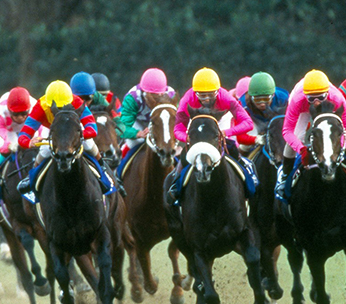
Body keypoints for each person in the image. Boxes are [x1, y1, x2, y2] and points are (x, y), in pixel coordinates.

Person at [167, 67, 256, 203]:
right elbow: (177, 129)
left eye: (211, 94)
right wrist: (189, 138)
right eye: (202, 95)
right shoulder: (187, 100)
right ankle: (176, 183)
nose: (207, 99)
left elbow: (248, 123)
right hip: (198, 124)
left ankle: (247, 180)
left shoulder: (226, 97)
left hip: (220, 122)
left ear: (218, 91)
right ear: (195, 93)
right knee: (187, 154)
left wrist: (225, 133)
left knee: (231, 148)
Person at [15, 80, 118, 195]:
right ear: (49, 104)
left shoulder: (77, 102)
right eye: (57, 108)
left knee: (89, 144)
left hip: (73, 130)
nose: (61, 111)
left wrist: (78, 134)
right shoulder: (40, 107)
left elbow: (92, 129)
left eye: (63, 106)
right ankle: (32, 178)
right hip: (55, 132)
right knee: (43, 152)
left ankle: (102, 169)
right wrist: (28, 143)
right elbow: (23, 134)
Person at [275, 69, 346, 201]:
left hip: (328, 110)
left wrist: (341, 145)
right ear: (305, 96)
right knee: (296, 138)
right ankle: (284, 176)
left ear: (327, 94)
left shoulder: (336, 97)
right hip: (303, 110)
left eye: (321, 97)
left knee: (345, 137)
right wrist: (301, 149)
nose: (317, 103)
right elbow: (287, 131)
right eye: (311, 98)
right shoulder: (297, 99)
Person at [115, 67, 178, 157]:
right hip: (139, 123)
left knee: (172, 144)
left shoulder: (171, 95)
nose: (155, 99)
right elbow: (121, 127)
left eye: (158, 95)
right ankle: (119, 167)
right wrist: (136, 133)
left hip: (160, 124)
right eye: (151, 95)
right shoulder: (132, 98)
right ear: (144, 91)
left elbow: (178, 120)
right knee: (135, 142)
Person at [234, 71, 290, 153]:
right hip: (255, 122)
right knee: (244, 147)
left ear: (273, 95)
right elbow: (240, 137)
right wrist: (256, 139)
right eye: (258, 100)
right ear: (250, 97)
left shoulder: (284, 99)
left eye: (266, 99)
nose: (262, 104)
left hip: (278, 121)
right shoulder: (242, 105)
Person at [0, 86, 45, 166]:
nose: (20, 117)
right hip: (9, 131)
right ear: (8, 109)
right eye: (15, 114)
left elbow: (41, 132)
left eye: (24, 113)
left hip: (29, 127)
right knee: (5, 154)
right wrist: (8, 146)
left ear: (28, 109)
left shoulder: (35, 107)